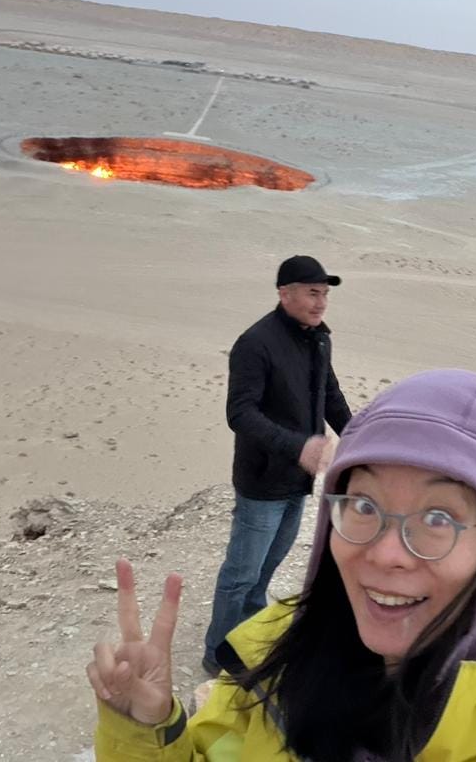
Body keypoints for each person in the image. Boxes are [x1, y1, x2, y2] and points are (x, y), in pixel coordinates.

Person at [90, 369, 476, 761]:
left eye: (438, 517)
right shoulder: (284, 649)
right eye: (364, 505)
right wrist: (147, 729)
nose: (385, 554)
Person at [201, 254, 351, 675]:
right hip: (263, 480)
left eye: (324, 294)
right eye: (311, 292)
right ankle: (218, 655)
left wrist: (360, 436)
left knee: (267, 567)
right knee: (242, 573)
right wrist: (298, 447)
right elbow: (240, 414)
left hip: (297, 481)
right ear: (285, 294)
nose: (320, 302)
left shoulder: (318, 338)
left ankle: (246, 637)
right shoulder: (255, 343)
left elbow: (331, 394)